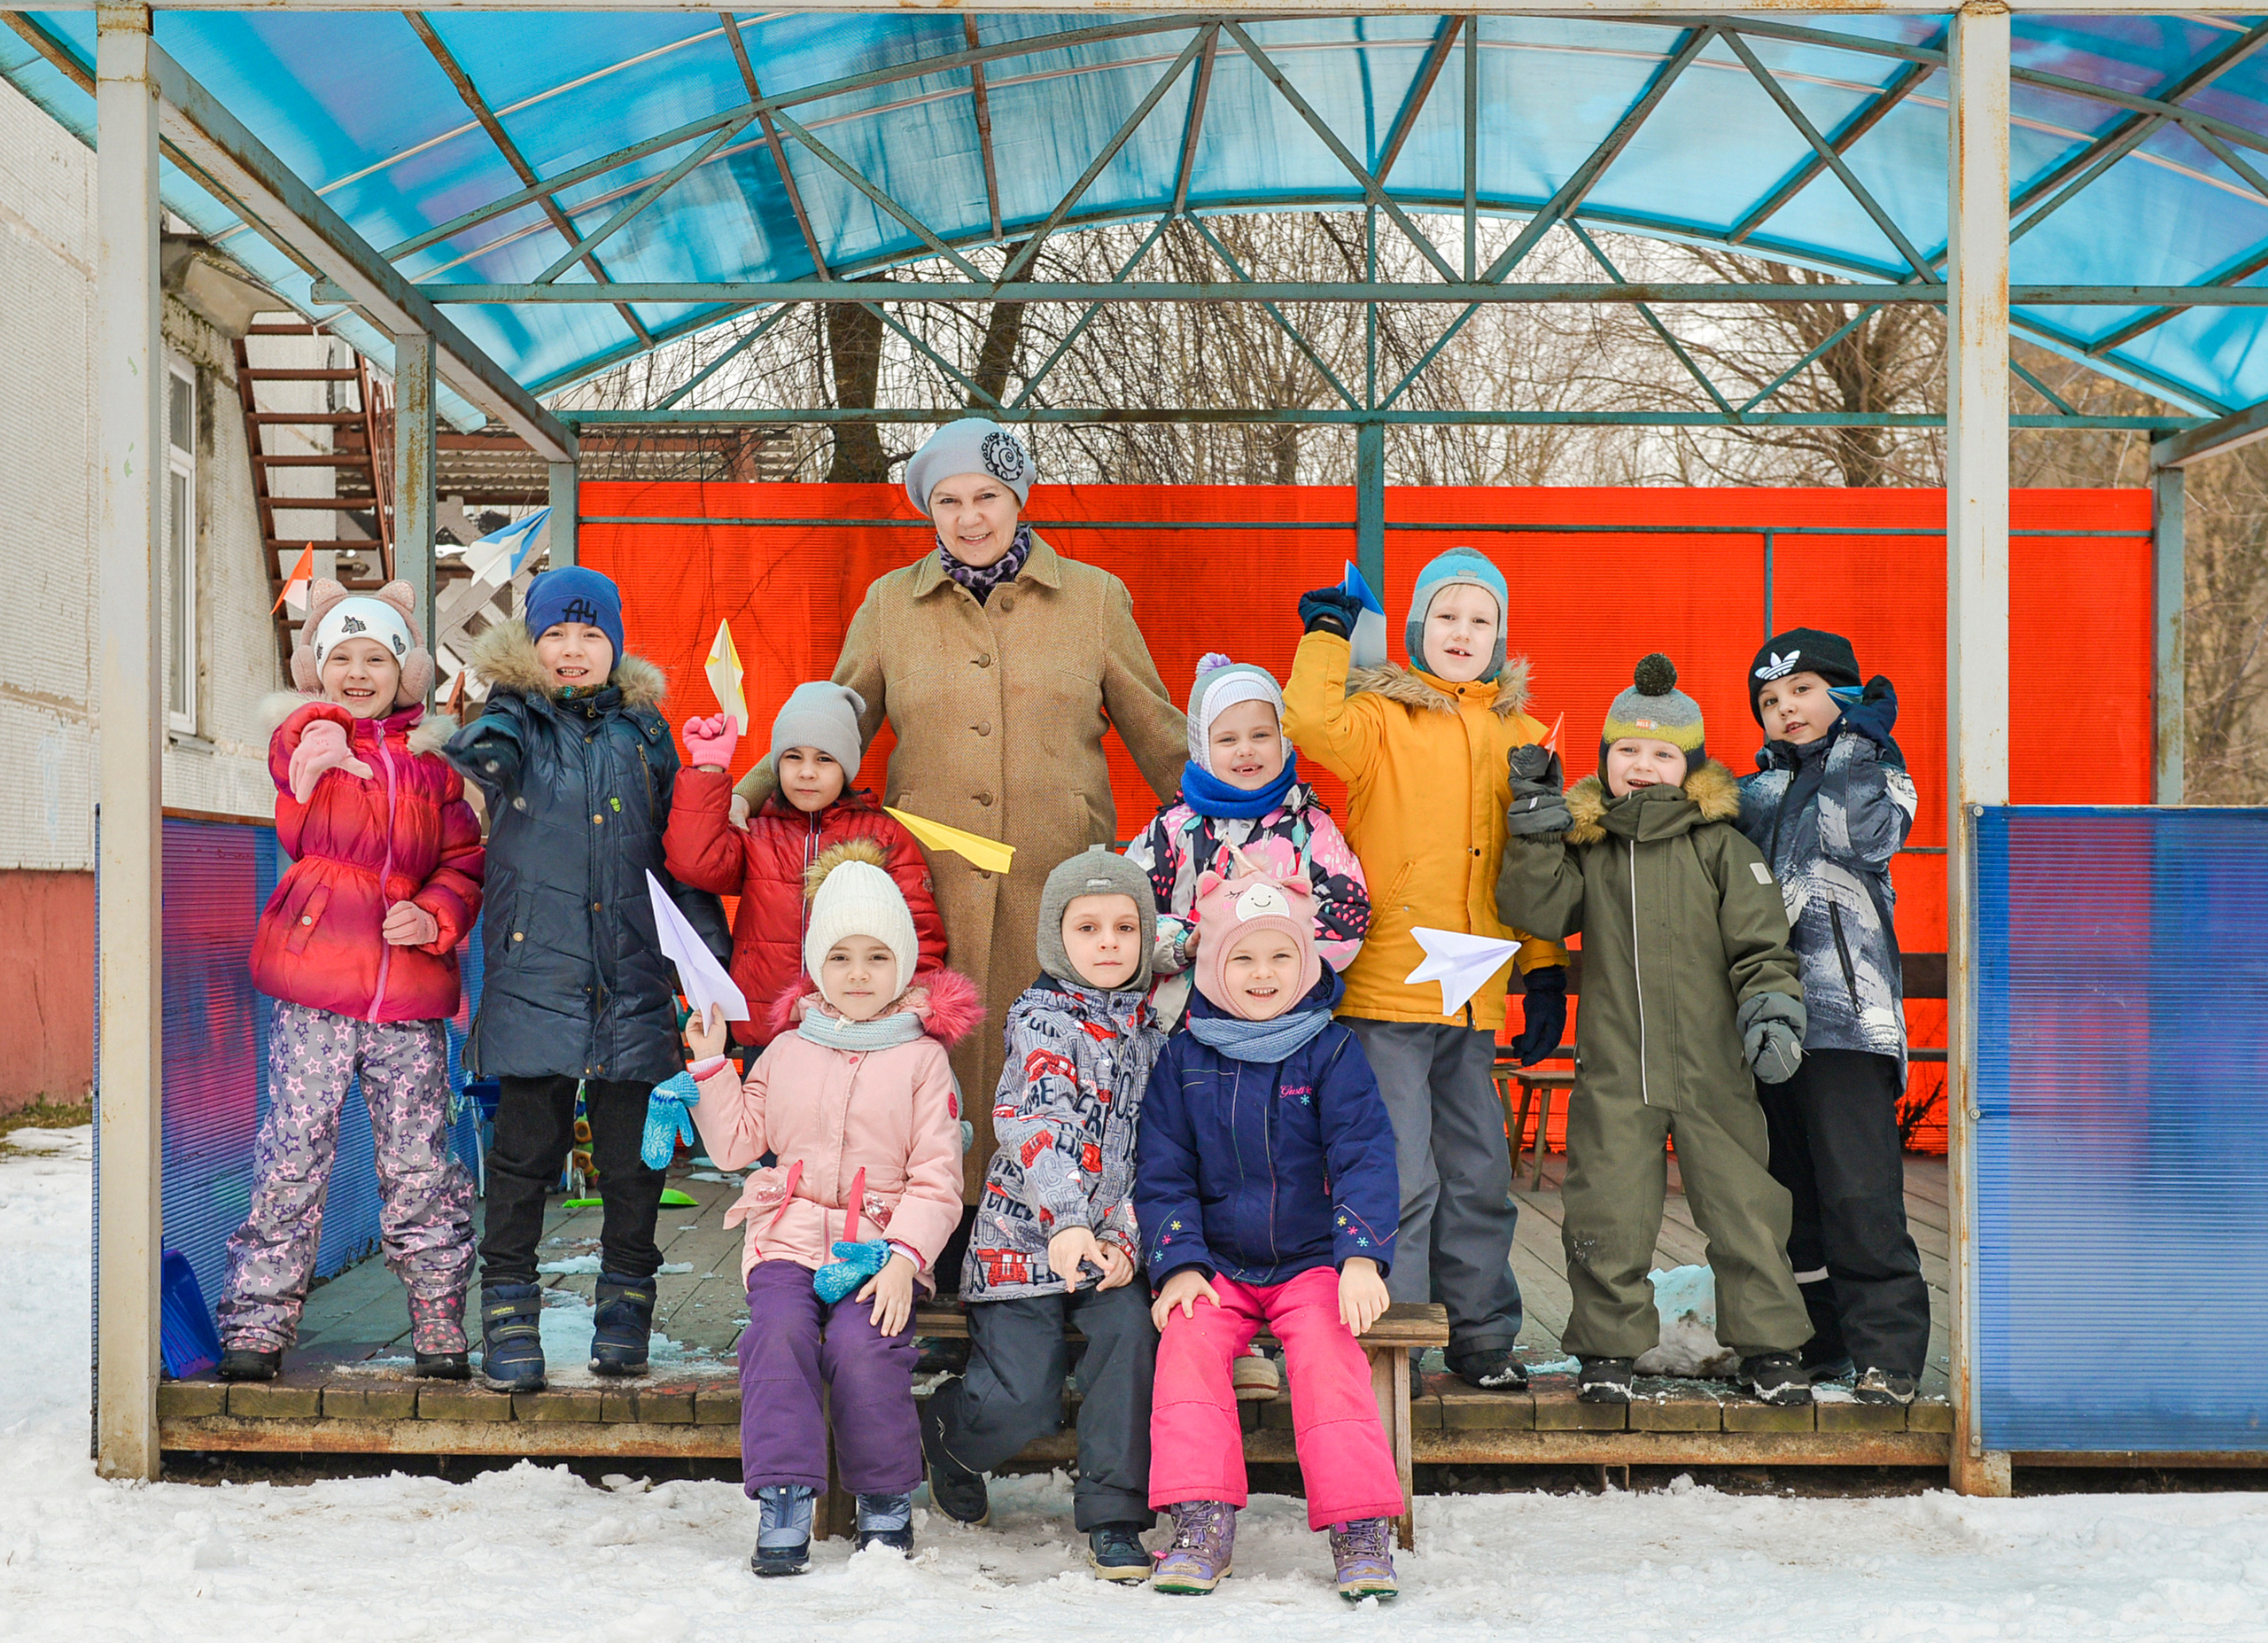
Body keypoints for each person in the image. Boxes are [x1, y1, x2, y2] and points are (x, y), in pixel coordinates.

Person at [731, 418, 1185, 1253]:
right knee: (929, 1082)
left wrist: (1250, 807)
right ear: (927, 510)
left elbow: (1158, 733)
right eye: (949, 501)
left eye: (987, 497)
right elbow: (836, 718)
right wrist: (744, 796)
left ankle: (1054, 1256)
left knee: (1053, 1083)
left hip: (1060, 903)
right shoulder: (889, 607)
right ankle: (929, 1255)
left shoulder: (1094, 601)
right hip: (926, 892)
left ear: (1019, 499)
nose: (970, 517)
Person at [1495, 654, 1814, 1408]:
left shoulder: (1724, 851)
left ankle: (1770, 1348)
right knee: (1607, 1208)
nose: (1643, 766)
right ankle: (1608, 1348)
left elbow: (1762, 947)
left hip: (1714, 1068)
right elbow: (1536, 911)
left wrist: (1772, 1009)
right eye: (1626, 752)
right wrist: (1536, 835)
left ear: (1690, 767)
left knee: (1745, 1209)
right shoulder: (1591, 848)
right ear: (1605, 762)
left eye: (1662, 754)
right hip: (1617, 1069)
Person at [1282, 549, 1566, 1390]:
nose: (1462, 633)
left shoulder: (1525, 737)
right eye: (1446, 616)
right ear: (1416, 629)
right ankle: (1392, 1345)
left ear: (1499, 637)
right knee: (1400, 1172)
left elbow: (1537, 860)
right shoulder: (1380, 721)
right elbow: (1307, 724)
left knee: (1480, 1173)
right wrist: (1328, 637)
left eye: (1480, 620)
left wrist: (1544, 969)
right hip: (1388, 991)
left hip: (1478, 995)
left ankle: (1482, 1335)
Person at [445, 565, 729, 1393]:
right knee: (524, 1158)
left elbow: (681, 855)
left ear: (614, 646)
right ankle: (507, 1318)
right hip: (536, 978)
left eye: (591, 635)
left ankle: (625, 1314)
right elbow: (481, 759)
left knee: (633, 1165)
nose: (574, 651)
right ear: (532, 647)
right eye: (557, 637)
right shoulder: (516, 721)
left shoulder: (646, 735)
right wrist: (484, 715)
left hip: (634, 979)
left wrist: (705, 964)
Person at [680, 843, 975, 1576]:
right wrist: (715, 1069)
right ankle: (784, 1493)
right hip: (787, 1238)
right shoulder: (786, 1049)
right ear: (817, 965)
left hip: (879, 1249)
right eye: (840, 957)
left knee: (863, 1346)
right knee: (776, 1336)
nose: (858, 975)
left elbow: (938, 1176)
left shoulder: (921, 1059)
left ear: (903, 965)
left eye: (877, 957)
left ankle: (885, 1496)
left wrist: (906, 1261)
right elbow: (738, 1144)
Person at [217, 580, 482, 1382]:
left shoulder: (432, 768)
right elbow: (294, 797)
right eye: (341, 657)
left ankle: (437, 1318)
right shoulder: (311, 744)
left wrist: (436, 915)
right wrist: (313, 739)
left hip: (406, 996)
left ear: (405, 674)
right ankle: (257, 1325)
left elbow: (463, 860)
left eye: (376, 657)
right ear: (318, 669)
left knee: (419, 1162)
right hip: (316, 989)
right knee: (293, 1154)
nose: (358, 671)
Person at [1136, 862, 1404, 1603]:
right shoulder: (1185, 1056)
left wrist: (1361, 1259)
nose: (1262, 974)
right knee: (1187, 1347)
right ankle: (1200, 1518)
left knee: (1328, 1357)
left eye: (1281, 955)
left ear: (1307, 961)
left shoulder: (1333, 1052)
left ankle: (1361, 1528)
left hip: (1314, 1260)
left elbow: (1366, 1157)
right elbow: (1162, 1171)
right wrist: (1179, 1263)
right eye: (1243, 958)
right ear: (1216, 969)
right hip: (1217, 1262)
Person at [922, 847, 1168, 1583]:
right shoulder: (1040, 1020)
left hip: (1110, 1247)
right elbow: (1037, 1125)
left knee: (1129, 1342)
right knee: (1023, 1394)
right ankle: (950, 1436)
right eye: (1087, 928)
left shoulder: (1156, 1036)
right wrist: (1066, 1222)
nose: (1108, 944)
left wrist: (1123, 1237)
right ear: (1057, 938)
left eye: (1125, 928)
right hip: (1024, 1243)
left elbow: (1153, 1151)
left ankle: (1116, 1516)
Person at [1739, 628, 1930, 1406]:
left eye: (1804, 691)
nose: (1787, 709)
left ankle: (1889, 1353)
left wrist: (1856, 742)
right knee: (1791, 1195)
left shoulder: (1878, 770)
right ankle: (1819, 1340)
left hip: (1852, 1024)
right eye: (1770, 701)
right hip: (1769, 1022)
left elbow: (1866, 836)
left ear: (1845, 695)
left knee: (1859, 1194)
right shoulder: (1754, 794)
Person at [665, 681, 945, 1050]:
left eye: (824, 759)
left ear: (846, 766)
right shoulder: (757, 833)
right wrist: (709, 770)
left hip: (853, 1031)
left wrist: (905, 1015)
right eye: (793, 756)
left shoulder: (882, 836)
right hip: (766, 1032)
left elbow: (920, 933)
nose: (807, 772)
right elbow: (693, 861)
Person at [1125, 651, 1369, 1029]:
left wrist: (1277, 960)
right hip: (1179, 1026)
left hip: (1282, 1023)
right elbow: (1129, 913)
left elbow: (1348, 913)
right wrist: (1185, 942)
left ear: (1284, 740)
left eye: (1261, 735)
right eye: (1227, 739)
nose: (1245, 749)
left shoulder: (1311, 830)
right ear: (1202, 748)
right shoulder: (1172, 831)